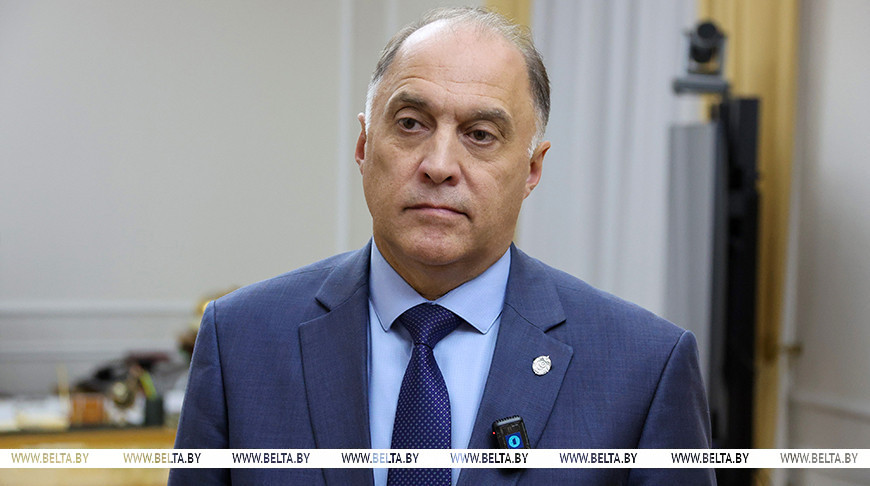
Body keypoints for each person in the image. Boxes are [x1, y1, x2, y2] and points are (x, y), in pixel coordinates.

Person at [170, 6, 715, 485]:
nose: (438, 165)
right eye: (411, 124)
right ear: (363, 144)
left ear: (532, 169)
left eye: (480, 135)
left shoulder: (644, 369)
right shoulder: (240, 341)